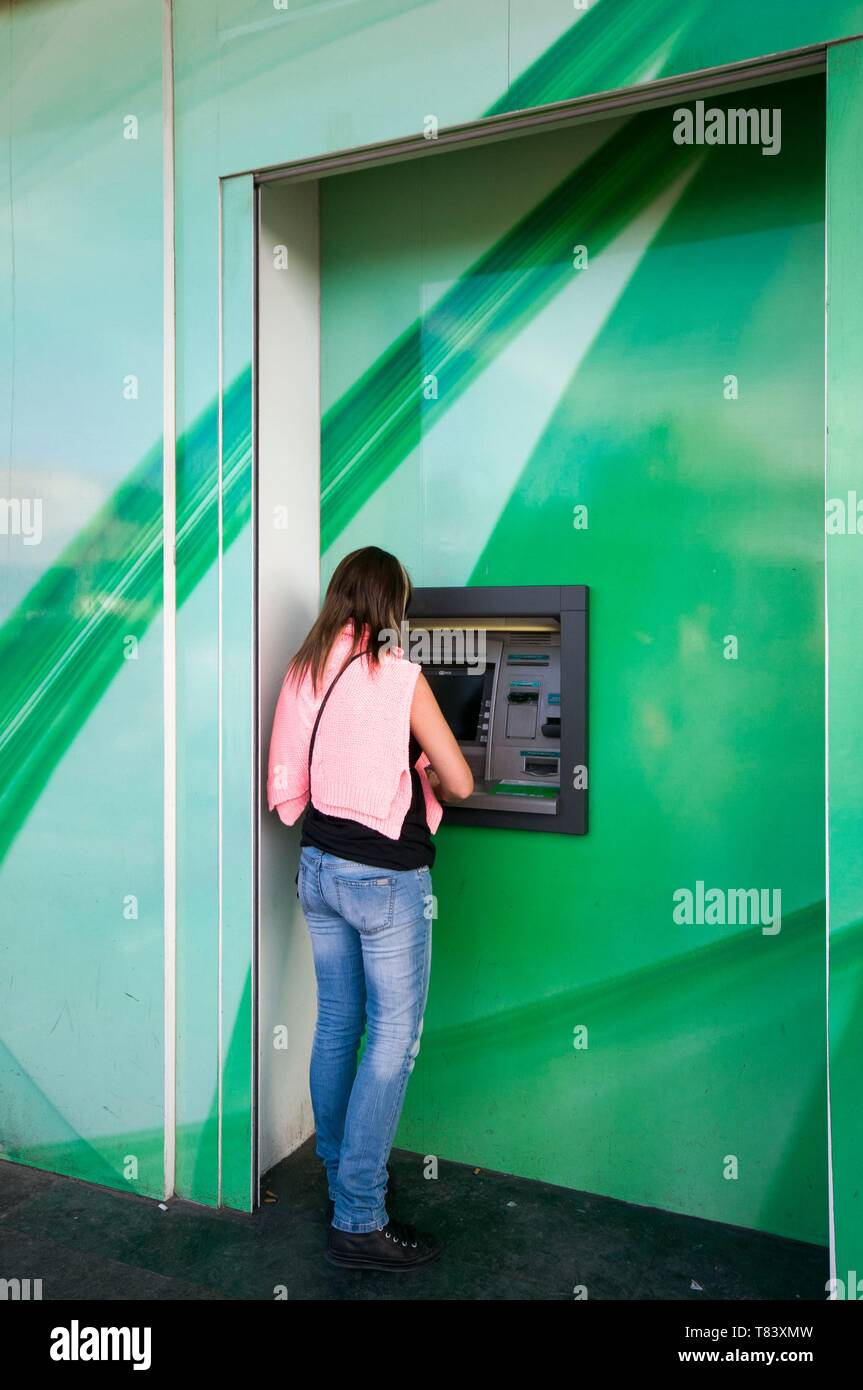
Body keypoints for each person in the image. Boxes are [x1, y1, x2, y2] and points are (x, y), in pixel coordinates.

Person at [266, 546, 474, 1271]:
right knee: (392, 1041)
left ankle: (340, 1171)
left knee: (337, 1027)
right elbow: (462, 779)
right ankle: (358, 1217)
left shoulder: (304, 666)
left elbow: (295, 769)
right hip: (383, 881)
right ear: (392, 604)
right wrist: (421, 770)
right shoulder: (401, 673)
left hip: (318, 868)